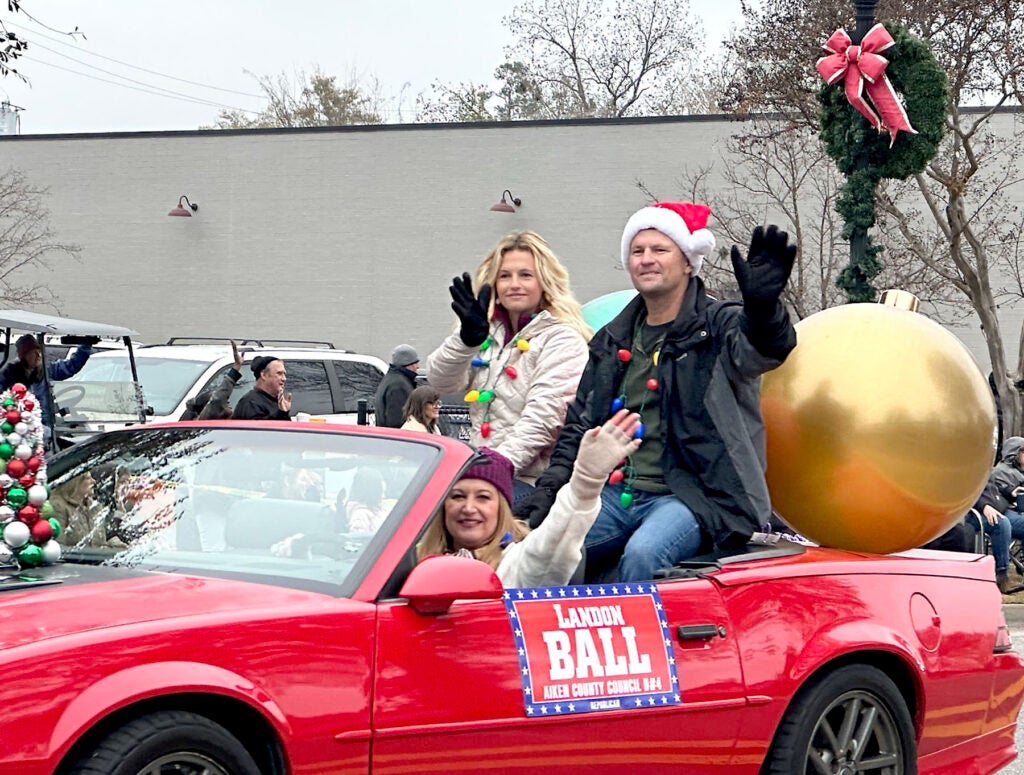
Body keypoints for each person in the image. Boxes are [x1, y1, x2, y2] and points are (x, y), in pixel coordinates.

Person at [515, 202, 797, 583]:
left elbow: (765, 351)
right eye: (637, 251)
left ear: (687, 262)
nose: (646, 260)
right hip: (617, 492)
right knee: (555, 550)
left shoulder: (719, 326)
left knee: (644, 554)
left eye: (659, 250)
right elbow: (580, 426)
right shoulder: (611, 339)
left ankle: (644, 643)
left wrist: (763, 310)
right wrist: (550, 491)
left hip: (696, 495)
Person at [425, 231, 591, 502]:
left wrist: (494, 468)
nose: (514, 284)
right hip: (485, 473)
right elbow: (440, 381)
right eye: (505, 276)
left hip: (535, 482)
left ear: (544, 282)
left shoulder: (562, 338)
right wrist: (466, 340)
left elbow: (544, 418)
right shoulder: (486, 333)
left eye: (526, 275)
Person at [417, 410, 641, 587]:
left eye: (483, 497)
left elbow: (552, 546)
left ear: (502, 508)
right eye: (457, 496)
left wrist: (587, 481)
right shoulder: (410, 562)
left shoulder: (515, 563)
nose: (468, 507)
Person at [0, 333, 96, 436]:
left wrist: (85, 347)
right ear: (23, 356)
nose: (38, 356)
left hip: (46, 427)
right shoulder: (8, 375)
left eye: (39, 352)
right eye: (33, 353)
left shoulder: (46, 371)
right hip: (19, 429)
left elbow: (70, 367)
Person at [973, 436, 1024, 593]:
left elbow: (996, 491)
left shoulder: (985, 469)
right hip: (978, 512)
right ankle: (1001, 575)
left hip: (1001, 507)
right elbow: (974, 494)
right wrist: (985, 506)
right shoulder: (998, 471)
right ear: (1013, 454)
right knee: (1002, 524)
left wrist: (1009, 492)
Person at [180, 341, 243, 421]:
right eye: (224, 401)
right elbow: (218, 398)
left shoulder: (229, 423)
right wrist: (235, 369)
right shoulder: (204, 423)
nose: (228, 403)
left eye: (226, 401)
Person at [232, 356, 292, 421]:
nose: (284, 379)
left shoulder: (276, 401)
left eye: (284, 374)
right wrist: (281, 414)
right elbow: (260, 428)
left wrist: (284, 413)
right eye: (279, 373)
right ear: (263, 375)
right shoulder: (251, 402)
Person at [375, 344, 420, 428]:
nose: (418, 367)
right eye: (416, 363)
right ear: (408, 363)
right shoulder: (398, 386)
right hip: (398, 438)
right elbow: (397, 421)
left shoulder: (392, 380)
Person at [346, 467, 390, 532]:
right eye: (381, 492)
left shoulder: (382, 509)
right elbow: (360, 539)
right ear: (372, 492)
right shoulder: (360, 515)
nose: (384, 496)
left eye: (384, 492)